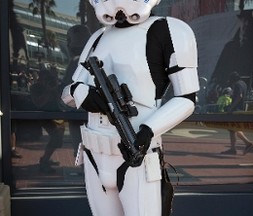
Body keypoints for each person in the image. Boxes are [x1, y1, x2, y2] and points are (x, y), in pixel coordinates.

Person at [61, 0, 199, 215]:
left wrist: (147, 132)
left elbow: (187, 98)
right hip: (94, 155)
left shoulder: (168, 30)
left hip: (138, 155)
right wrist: (82, 94)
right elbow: (68, 92)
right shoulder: (98, 37)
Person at [60, 25, 91, 157]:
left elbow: (68, 90)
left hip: (80, 115)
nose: (67, 43)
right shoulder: (87, 60)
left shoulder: (78, 62)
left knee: (82, 152)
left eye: (69, 39)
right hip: (82, 115)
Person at [30, 68, 65, 173]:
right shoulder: (35, 87)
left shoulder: (53, 85)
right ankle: (44, 162)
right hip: (43, 115)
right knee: (56, 136)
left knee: (58, 139)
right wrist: (48, 91)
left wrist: (55, 88)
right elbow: (39, 103)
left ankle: (46, 157)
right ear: (40, 78)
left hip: (55, 114)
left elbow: (61, 99)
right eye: (45, 78)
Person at [221, 71, 253, 155]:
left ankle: (246, 144)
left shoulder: (237, 85)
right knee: (233, 128)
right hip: (240, 108)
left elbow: (239, 96)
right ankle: (236, 147)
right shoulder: (243, 83)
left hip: (236, 109)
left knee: (232, 128)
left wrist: (231, 108)